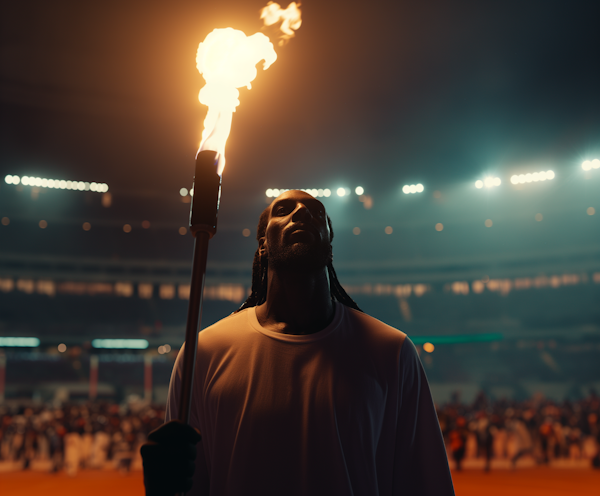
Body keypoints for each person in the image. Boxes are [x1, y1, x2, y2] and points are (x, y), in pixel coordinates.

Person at [141, 190, 455, 495]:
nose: (302, 213)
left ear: (330, 243)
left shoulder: (392, 352)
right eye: (283, 210)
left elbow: (424, 483)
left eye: (316, 212)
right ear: (262, 243)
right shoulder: (203, 353)